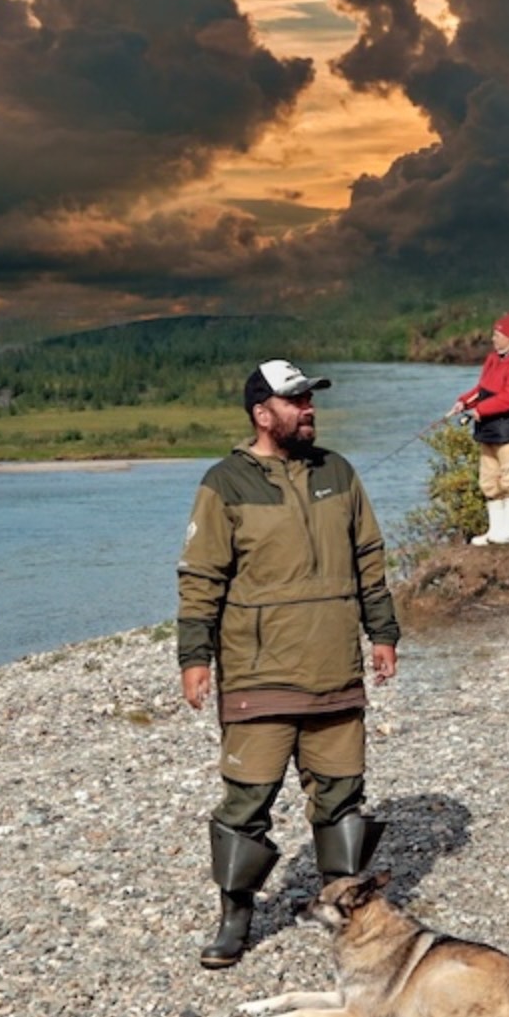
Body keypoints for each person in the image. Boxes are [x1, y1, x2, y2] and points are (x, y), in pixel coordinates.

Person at [177, 358, 401, 970]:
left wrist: (383, 634)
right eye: (295, 400)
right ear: (261, 413)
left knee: (342, 798)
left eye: (310, 399)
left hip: (335, 671)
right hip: (257, 675)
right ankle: (236, 915)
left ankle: (349, 914)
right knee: (246, 801)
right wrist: (194, 657)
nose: (309, 409)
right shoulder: (225, 483)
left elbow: (369, 559)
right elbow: (200, 579)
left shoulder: (338, 472)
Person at [453, 310, 509, 545]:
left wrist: (480, 410)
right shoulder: (492, 361)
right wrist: (464, 402)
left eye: (497, 334)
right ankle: (495, 531)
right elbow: (482, 389)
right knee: (489, 480)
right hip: (488, 429)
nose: (493, 338)